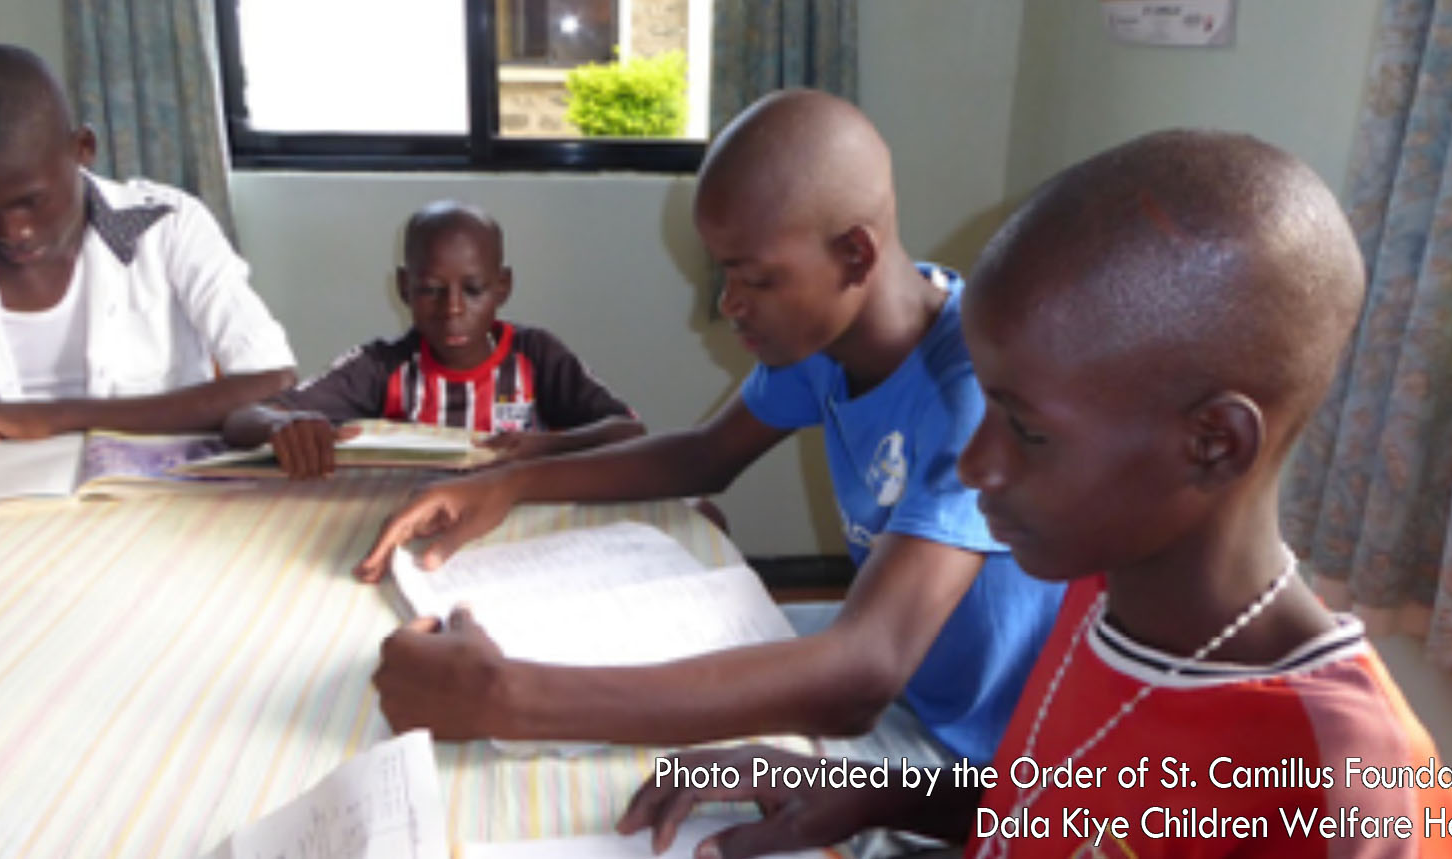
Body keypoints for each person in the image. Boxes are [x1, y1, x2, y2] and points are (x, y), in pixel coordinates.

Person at [614, 130, 1452, 859]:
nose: (977, 464)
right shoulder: (1100, 600)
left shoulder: (1348, 789)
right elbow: (1060, 804)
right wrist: (871, 791)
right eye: (985, 405)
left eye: (1027, 429)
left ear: (1213, 443)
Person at [358, 89, 1065, 762]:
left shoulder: (973, 397)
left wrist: (507, 698)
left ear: (855, 254)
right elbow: (702, 456)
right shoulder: (831, 338)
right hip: (908, 678)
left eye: (753, 278)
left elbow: (859, 677)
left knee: (655, 781)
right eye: (722, 274)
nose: (730, 304)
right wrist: (511, 483)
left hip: (974, 756)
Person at [0, 42, 296, 446]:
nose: (13, 231)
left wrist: (62, 417)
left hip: (161, 496)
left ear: (82, 148)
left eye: (31, 202)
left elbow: (272, 381)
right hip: (2, 506)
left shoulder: (166, 227)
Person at [221, 200, 645, 478]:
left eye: (474, 290)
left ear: (503, 287)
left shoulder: (536, 356)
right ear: (405, 288)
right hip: (416, 524)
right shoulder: (382, 366)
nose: (453, 309)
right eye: (431, 289)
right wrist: (283, 424)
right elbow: (242, 419)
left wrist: (545, 445)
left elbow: (629, 432)